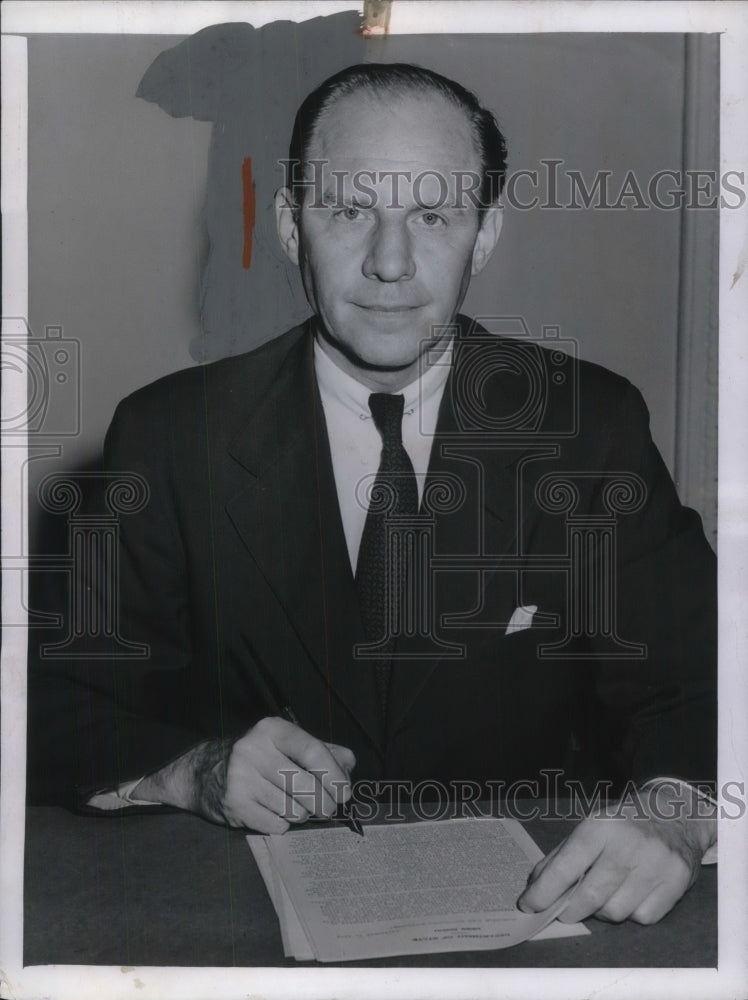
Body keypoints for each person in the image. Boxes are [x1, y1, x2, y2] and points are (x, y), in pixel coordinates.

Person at [44, 63, 717, 927]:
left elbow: (704, 686)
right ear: (291, 228)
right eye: (349, 210)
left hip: (539, 924)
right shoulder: (169, 437)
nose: (389, 263)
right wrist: (194, 769)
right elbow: (54, 706)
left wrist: (676, 809)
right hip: (242, 928)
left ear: (484, 234)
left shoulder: (590, 429)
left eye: (433, 216)